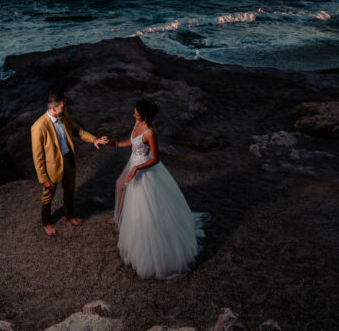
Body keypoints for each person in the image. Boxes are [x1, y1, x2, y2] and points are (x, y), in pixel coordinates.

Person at [109, 99, 207, 280]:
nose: (133, 115)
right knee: (119, 185)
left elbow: (156, 159)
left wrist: (136, 168)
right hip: (133, 164)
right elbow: (131, 142)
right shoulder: (137, 124)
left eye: (136, 113)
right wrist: (113, 144)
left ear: (144, 116)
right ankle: (118, 218)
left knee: (144, 207)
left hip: (145, 170)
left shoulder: (150, 133)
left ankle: (145, 245)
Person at [31, 88, 109, 236]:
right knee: (47, 197)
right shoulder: (38, 127)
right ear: (53, 108)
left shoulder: (64, 115)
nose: (65, 108)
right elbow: (38, 157)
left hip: (68, 160)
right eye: (62, 107)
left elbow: (78, 131)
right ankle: (46, 222)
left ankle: (69, 215)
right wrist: (44, 178)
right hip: (51, 169)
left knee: (69, 191)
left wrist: (94, 139)